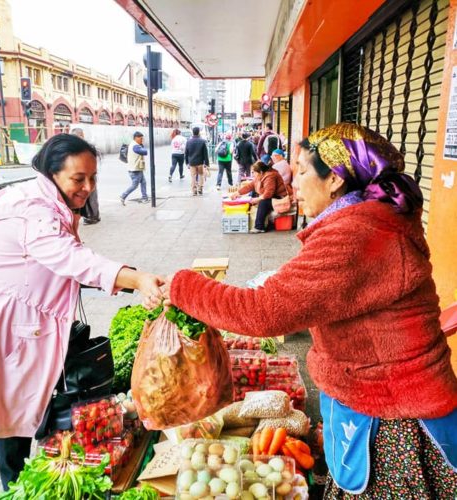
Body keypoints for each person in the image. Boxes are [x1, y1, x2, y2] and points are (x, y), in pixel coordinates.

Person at [164, 123, 457, 498]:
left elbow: (264, 311)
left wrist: (182, 286)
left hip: (393, 413)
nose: (294, 182)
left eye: (302, 170)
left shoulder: (357, 233)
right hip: (387, 396)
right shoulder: (370, 220)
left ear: (334, 179)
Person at [0, 134, 164, 490]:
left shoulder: (53, 202)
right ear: (53, 173)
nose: (88, 187)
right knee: (11, 417)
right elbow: (71, 258)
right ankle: (18, 489)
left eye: (93, 177)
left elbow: (66, 265)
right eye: (78, 178)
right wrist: (137, 279)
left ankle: (49, 461)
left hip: (27, 325)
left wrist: (131, 281)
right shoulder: (34, 210)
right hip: (2, 330)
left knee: (30, 406)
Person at [231, 160, 287, 234]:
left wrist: (258, 199)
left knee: (263, 202)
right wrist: (238, 193)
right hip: (272, 196)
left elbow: (268, 193)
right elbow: (250, 186)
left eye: (253, 172)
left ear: (260, 171)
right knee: (255, 194)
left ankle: (259, 227)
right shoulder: (260, 176)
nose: (252, 174)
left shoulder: (270, 176)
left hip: (280, 198)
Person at [71, 127, 101, 225]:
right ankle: (92, 216)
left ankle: (93, 216)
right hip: (85, 175)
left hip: (85, 175)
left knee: (90, 196)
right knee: (90, 196)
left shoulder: (82, 146)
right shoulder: (86, 146)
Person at [120, 131, 149, 205]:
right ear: (136, 138)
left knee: (143, 182)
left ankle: (144, 198)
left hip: (137, 168)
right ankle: (123, 196)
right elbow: (144, 152)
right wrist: (144, 147)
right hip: (135, 170)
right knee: (134, 185)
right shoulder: (135, 146)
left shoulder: (134, 144)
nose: (142, 140)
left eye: (143, 138)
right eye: (141, 138)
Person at [185, 126, 209, 196]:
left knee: (193, 176)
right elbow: (205, 153)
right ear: (199, 132)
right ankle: (200, 189)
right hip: (200, 162)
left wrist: (187, 162)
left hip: (192, 162)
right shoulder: (202, 141)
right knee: (201, 175)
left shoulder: (188, 141)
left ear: (193, 132)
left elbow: (186, 153)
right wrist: (206, 163)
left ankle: (194, 191)